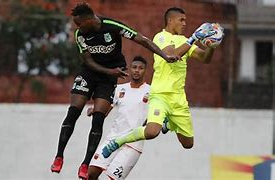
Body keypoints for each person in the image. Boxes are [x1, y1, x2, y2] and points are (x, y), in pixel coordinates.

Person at [50, 2, 178, 180]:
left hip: (109, 78)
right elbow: (87, 61)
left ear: (89, 20)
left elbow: (141, 39)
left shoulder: (112, 26)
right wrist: (110, 72)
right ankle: (59, 156)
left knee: (98, 119)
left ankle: (85, 163)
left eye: (79, 23)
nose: (77, 28)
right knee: (74, 111)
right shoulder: (80, 34)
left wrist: (164, 55)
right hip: (90, 73)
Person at [102, 7, 221, 158]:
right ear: (170, 20)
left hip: (178, 98)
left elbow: (205, 58)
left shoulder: (185, 40)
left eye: (185, 20)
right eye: (181, 20)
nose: (185, 23)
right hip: (160, 95)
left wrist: (212, 46)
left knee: (188, 144)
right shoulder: (160, 37)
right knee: (152, 132)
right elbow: (172, 54)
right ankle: (119, 141)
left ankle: (169, 123)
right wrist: (194, 38)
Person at [88, 56, 150, 180]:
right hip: (113, 138)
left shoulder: (151, 91)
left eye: (140, 68)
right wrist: (96, 110)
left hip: (132, 144)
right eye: (134, 67)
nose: (137, 70)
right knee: (90, 174)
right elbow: (106, 109)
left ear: (145, 71)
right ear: (130, 69)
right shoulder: (120, 89)